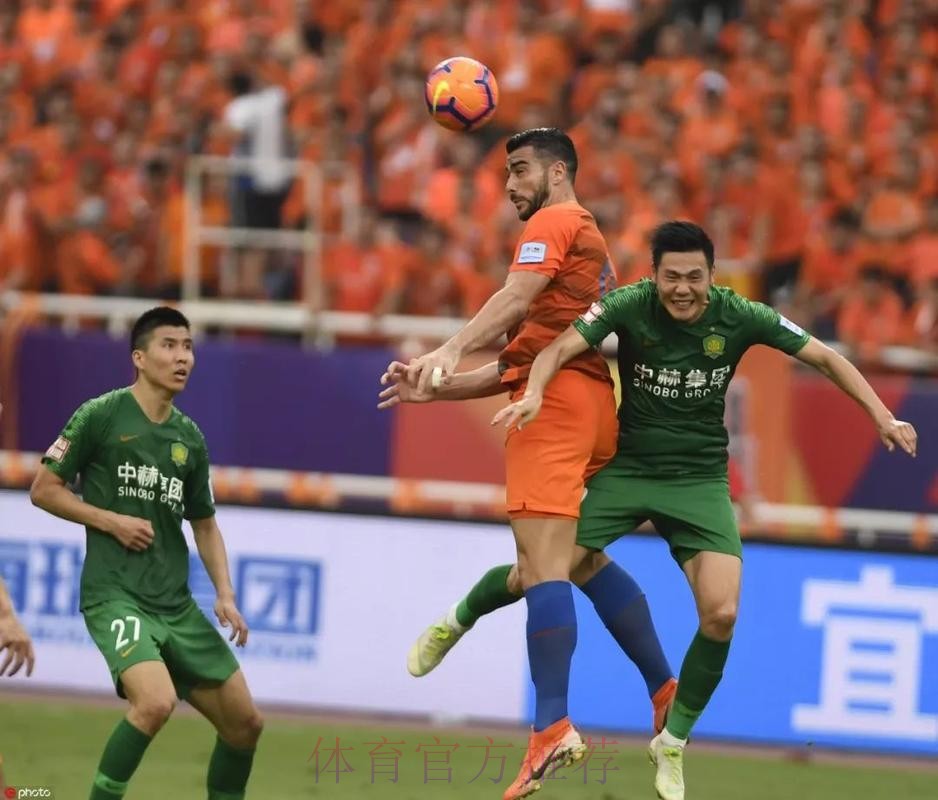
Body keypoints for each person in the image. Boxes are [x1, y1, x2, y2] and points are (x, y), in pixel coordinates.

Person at [395, 221, 918, 800]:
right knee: (537, 572)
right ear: (654, 275)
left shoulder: (742, 315)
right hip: (628, 471)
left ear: (712, 277)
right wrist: (537, 391)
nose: (682, 289)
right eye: (672, 277)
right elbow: (559, 348)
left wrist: (881, 415)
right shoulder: (628, 304)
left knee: (722, 613)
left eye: (694, 277)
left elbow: (824, 357)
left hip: (699, 482)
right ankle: (458, 618)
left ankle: (671, 741)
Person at [380, 127, 673, 800]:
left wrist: (448, 348)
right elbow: (521, 360)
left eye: (520, 170)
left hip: (557, 410)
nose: (510, 184)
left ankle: (552, 726)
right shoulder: (581, 239)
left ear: (558, 172)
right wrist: (441, 388)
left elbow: (514, 299)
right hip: (587, 403)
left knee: (542, 568)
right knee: (575, 559)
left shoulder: (555, 220)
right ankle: (664, 687)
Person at [29, 307, 264, 800]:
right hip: (116, 597)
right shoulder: (100, 415)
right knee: (154, 703)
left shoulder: (189, 439)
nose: (183, 358)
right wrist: (110, 520)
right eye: (169, 346)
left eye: (188, 347)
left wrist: (224, 594)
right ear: (139, 357)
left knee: (245, 725)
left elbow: (204, 523)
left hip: (175, 605)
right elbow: (44, 490)